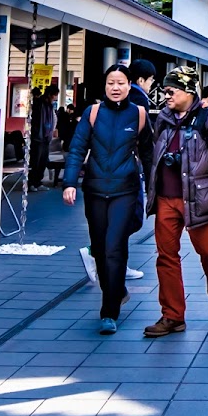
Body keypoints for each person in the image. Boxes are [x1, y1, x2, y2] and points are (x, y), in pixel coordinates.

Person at [142, 64, 208, 337]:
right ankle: (173, 315)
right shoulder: (163, 116)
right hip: (166, 198)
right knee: (166, 256)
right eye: (164, 91)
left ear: (188, 91)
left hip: (201, 199)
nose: (166, 96)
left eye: (171, 90)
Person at [63, 62, 148, 334]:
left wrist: (159, 190)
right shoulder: (93, 113)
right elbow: (77, 149)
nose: (116, 87)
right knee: (99, 248)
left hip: (125, 189)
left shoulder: (139, 114)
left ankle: (108, 311)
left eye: (121, 83)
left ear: (129, 85)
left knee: (114, 246)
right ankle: (118, 289)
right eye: (111, 82)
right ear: (105, 85)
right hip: (96, 190)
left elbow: (150, 155)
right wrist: (69, 183)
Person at [28, 85, 61, 191]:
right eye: (55, 95)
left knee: (43, 161)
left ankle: (38, 182)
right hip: (38, 137)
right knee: (35, 161)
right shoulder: (39, 104)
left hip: (46, 137)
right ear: (50, 95)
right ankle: (32, 183)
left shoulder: (49, 105)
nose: (55, 98)